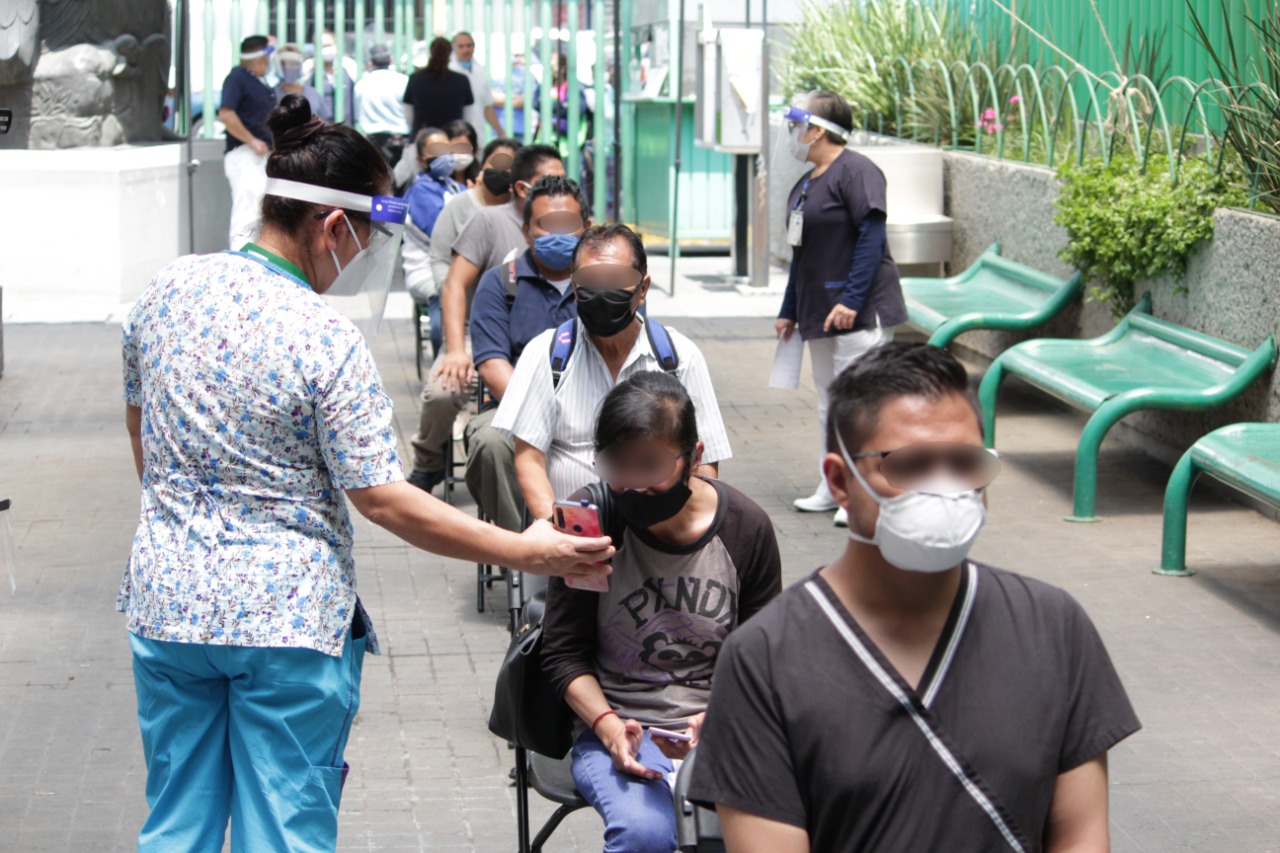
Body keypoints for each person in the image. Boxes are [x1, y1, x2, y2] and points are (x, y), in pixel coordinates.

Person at [119, 93, 613, 853]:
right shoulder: (325, 337)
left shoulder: (165, 291)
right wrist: (528, 549)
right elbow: (386, 500)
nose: (364, 255)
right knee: (282, 831)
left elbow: (142, 432)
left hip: (166, 602)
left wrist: (189, 524)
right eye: (367, 237)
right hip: (283, 624)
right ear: (332, 226)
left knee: (176, 820)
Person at [688, 342, 1141, 853]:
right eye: (912, 465)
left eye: (966, 463)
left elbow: (1081, 836)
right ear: (840, 480)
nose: (945, 486)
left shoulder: (1053, 628)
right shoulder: (765, 661)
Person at [542, 371, 782, 853]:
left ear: (694, 457)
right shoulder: (590, 520)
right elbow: (563, 654)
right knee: (644, 835)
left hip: (721, 727)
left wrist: (718, 719)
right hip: (615, 724)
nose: (633, 485)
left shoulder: (746, 529)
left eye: (651, 466)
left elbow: (766, 660)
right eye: (616, 465)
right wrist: (611, 728)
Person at [494, 224, 733, 521]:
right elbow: (529, 459)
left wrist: (686, 530)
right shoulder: (545, 354)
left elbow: (706, 464)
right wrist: (559, 532)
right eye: (590, 280)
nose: (602, 292)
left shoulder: (680, 358)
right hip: (571, 533)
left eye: (616, 280)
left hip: (661, 537)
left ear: (642, 289)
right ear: (575, 287)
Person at [775, 90, 908, 527]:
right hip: (819, 310)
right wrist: (789, 307)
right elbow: (801, 252)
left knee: (865, 402)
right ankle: (831, 485)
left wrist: (851, 300)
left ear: (818, 130)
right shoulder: (809, 182)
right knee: (828, 401)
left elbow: (871, 241)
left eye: (798, 127)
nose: (793, 136)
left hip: (857, 311)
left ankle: (867, 491)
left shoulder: (859, 173)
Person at [404, 146, 565, 493]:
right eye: (550, 181)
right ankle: (428, 461)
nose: (559, 189)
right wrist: (457, 349)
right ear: (523, 188)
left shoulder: (569, 228)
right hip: (482, 337)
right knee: (444, 392)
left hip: (542, 347)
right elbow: (454, 286)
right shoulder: (488, 220)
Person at [464, 175, 587, 532]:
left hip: (595, 407)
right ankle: (525, 553)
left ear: (587, 227)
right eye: (547, 225)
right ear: (526, 230)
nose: (559, 235)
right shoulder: (500, 283)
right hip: (513, 410)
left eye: (568, 224)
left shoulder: (604, 283)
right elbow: (492, 364)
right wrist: (543, 416)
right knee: (488, 444)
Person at [417, 136, 521, 355]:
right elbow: (440, 258)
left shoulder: (520, 211)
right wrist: (451, 293)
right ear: (483, 166)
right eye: (496, 162)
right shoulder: (458, 206)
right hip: (463, 311)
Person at [401, 127, 467, 361]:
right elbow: (441, 235)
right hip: (426, 268)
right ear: (421, 159)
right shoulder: (419, 190)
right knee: (445, 294)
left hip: (456, 263)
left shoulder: (457, 187)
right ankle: (443, 358)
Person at [218, 35, 276, 250]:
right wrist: (252, 140)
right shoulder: (237, 78)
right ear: (261, 58)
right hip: (246, 155)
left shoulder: (258, 81)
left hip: (259, 157)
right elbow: (226, 114)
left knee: (259, 211)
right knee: (247, 212)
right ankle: (239, 262)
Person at [403, 37, 473, 139]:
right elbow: (468, 117)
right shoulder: (461, 80)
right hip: (452, 139)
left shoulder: (415, 79)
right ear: (450, 53)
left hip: (422, 139)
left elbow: (408, 114)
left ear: (431, 52)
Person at [353, 43, 409, 168]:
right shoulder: (403, 81)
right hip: (402, 139)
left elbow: (357, 116)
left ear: (371, 63)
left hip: (375, 141)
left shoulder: (362, 85)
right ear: (391, 59)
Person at [450, 31, 504, 138]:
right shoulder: (449, 72)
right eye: (461, 46)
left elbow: (487, 107)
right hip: (455, 136)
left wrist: (501, 132)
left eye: (469, 46)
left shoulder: (480, 72)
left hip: (477, 134)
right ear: (454, 48)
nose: (466, 50)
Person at [309, 31, 357, 124]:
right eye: (323, 46)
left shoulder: (348, 65)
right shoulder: (310, 68)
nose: (327, 49)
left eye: (329, 45)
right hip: (322, 127)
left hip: (346, 126)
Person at [272, 44, 323, 119]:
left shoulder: (313, 94)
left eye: (293, 63)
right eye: (284, 63)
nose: (289, 67)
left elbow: (325, 121)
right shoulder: (271, 94)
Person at [492, 52, 529, 140]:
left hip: (518, 128)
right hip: (497, 128)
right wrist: (514, 97)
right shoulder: (493, 73)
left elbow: (526, 100)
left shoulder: (525, 75)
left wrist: (501, 98)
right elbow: (490, 98)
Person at [441, 118, 480, 185]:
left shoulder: (481, 179)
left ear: (474, 149)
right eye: (452, 150)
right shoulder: (435, 181)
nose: (458, 154)